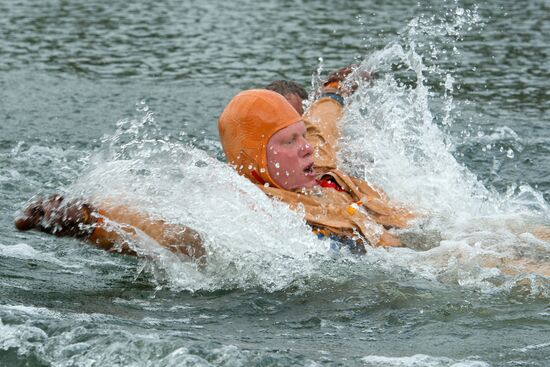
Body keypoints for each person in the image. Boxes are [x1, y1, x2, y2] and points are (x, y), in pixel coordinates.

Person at [14, 66, 410, 259]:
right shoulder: (254, 209)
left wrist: (337, 90)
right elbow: (178, 236)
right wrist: (89, 220)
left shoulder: (316, 163)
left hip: (409, 234)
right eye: (290, 141)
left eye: (301, 135)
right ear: (257, 157)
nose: (306, 147)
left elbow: (322, 123)